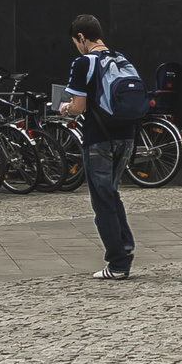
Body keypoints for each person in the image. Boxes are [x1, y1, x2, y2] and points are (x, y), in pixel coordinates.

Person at [59, 14, 138, 280]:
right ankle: (125, 246)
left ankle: (117, 264)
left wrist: (65, 108)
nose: (77, 47)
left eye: (76, 42)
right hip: (126, 135)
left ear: (81, 38)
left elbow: (79, 107)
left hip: (98, 139)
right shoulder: (121, 58)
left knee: (102, 201)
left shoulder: (84, 62)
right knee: (112, 193)